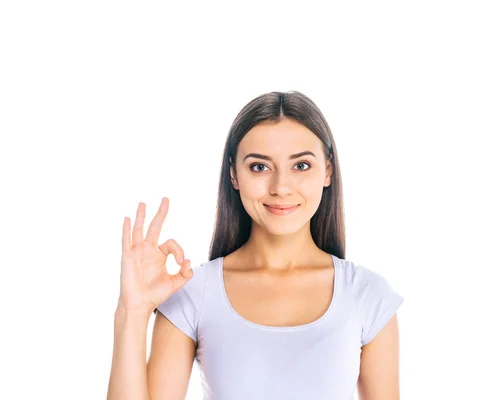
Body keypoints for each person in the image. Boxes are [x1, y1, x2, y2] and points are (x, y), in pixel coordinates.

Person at [107, 91, 404, 400]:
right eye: (260, 167)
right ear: (234, 174)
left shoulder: (368, 296)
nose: (280, 187)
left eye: (300, 166)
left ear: (328, 171)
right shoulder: (193, 294)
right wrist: (132, 311)